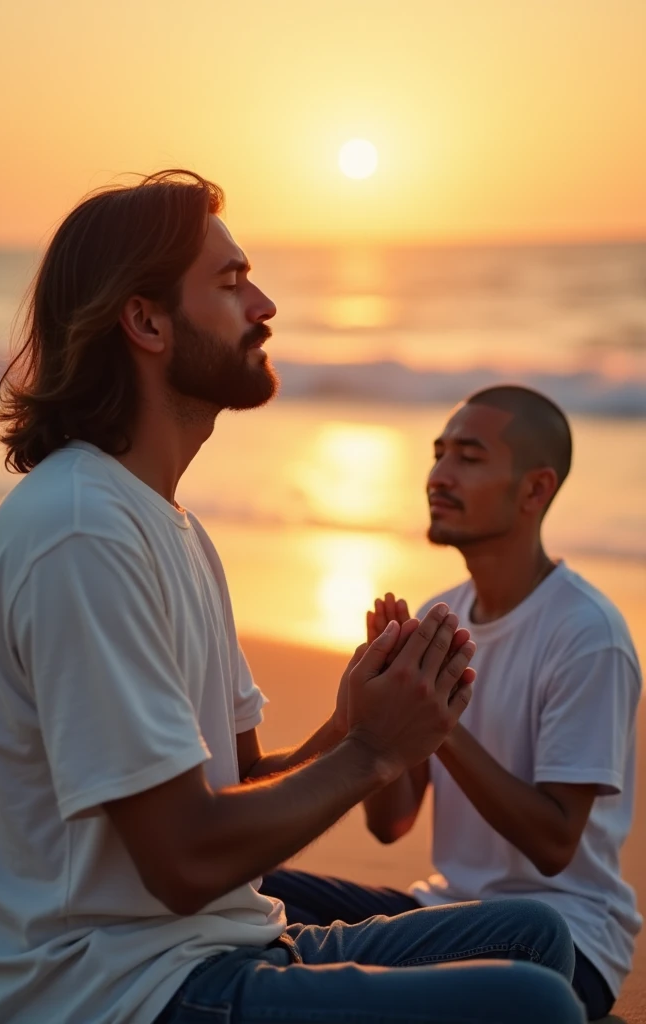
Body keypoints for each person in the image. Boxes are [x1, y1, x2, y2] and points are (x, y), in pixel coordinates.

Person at [0, 172, 586, 1024]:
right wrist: (369, 754)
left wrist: (351, 727)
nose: (265, 303)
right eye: (230, 282)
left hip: (224, 943)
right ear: (144, 321)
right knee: (534, 1004)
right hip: (130, 993)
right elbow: (183, 859)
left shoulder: (169, 524)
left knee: (537, 938)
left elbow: (243, 784)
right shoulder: (83, 533)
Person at [261, 385, 642, 1020]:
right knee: (247, 888)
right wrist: (376, 723)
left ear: (534, 489)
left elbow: (554, 843)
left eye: (468, 457)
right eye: (438, 454)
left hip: (564, 942)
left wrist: (438, 722)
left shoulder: (587, 634)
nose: (438, 476)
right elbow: (391, 825)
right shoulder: (446, 612)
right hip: (442, 912)